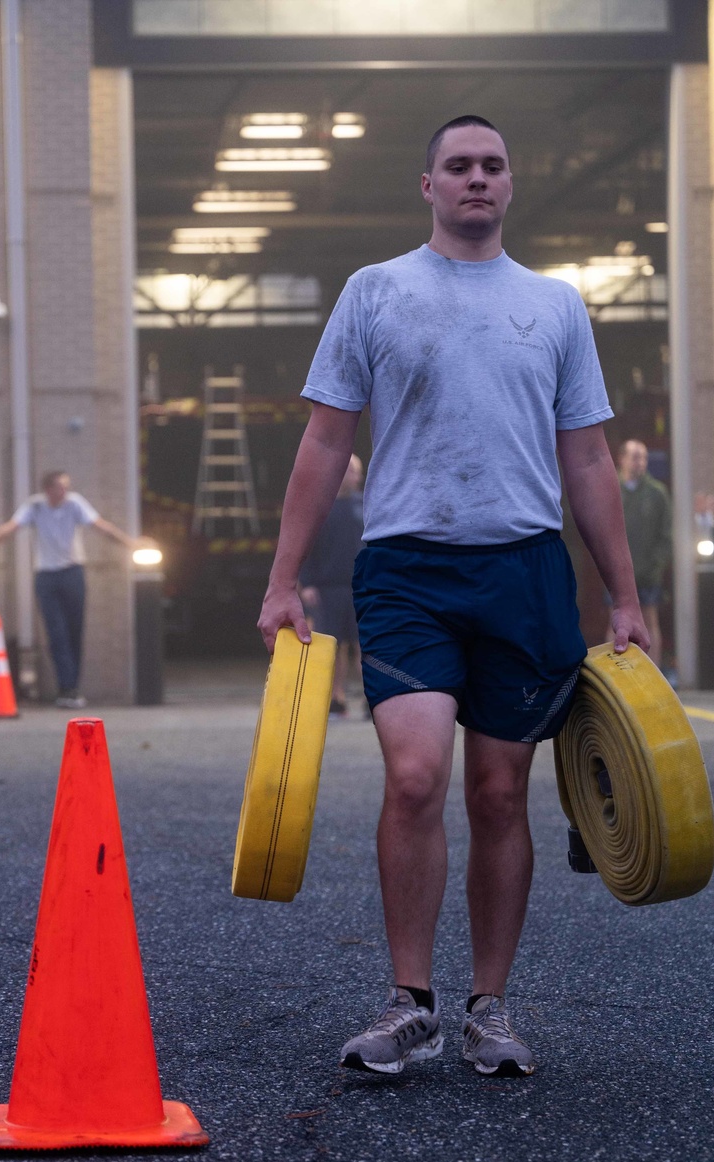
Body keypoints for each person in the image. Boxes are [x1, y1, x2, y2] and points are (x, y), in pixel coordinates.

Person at [257, 115, 648, 1079]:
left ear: (510, 186)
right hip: (406, 571)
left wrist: (625, 598)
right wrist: (282, 577)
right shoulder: (376, 292)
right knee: (418, 777)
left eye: (493, 166)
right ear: (426, 185)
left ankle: (490, 1009)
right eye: (459, 167)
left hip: (523, 569)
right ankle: (409, 1003)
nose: (477, 179)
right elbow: (324, 442)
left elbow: (589, 457)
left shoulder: (555, 305)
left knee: (500, 790)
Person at [0, 470, 140, 708]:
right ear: (48, 489)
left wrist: (131, 544)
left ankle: (71, 688)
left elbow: (101, 526)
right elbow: (9, 528)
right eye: (60, 487)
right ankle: (66, 687)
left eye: (66, 487)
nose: (64, 492)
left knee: (74, 630)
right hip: (46, 575)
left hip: (72, 572)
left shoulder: (75, 503)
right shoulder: (35, 506)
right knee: (56, 633)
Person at [300, 453, 365, 716]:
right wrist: (306, 584)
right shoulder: (320, 507)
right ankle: (335, 700)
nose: (347, 473)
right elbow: (305, 548)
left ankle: (371, 700)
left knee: (367, 646)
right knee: (331, 648)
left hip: (364, 589)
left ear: (359, 475)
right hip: (329, 589)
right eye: (343, 468)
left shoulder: (368, 505)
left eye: (352, 469)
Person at [603, 440, 671, 668]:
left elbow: (665, 535)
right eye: (634, 456)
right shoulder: (609, 489)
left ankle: (655, 675)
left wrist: (656, 566)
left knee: (650, 622)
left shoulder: (657, 493)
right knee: (614, 622)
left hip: (648, 572)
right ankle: (615, 674)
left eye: (643, 457)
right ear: (621, 458)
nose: (639, 462)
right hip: (615, 571)